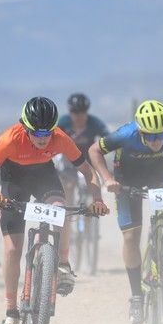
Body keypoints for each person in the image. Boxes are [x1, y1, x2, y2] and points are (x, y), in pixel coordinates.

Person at [0, 96, 109, 324]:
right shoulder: (9, 139)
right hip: (14, 182)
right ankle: (11, 313)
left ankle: (63, 264)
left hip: (44, 176)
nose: (43, 138)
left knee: (61, 208)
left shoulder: (60, 138)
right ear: (25, 127)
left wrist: (97, 198)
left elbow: (88, 172)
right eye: (36, 132)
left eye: (47, 132)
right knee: (13, 249)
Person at [89, 99, 163, 324]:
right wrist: (108, 179)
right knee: (131, 237)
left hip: (157, 171)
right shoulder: (126, 134)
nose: (156, 141)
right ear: (140, 130)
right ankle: (137, 297)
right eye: (150, 136)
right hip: (125, 177)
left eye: (160, 135)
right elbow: (94, 151)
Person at [56, 93, 110, 260]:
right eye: (75, 112)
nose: (78, 116)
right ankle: (68, 215)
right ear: (70, 112)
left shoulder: (95, 123)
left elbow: (108, 138)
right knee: (68, 189)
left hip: (86, 164)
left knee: (92, 188)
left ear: (87, 112)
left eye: (82, 112)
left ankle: (88, 220)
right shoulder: (63, 123)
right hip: (67, 164)